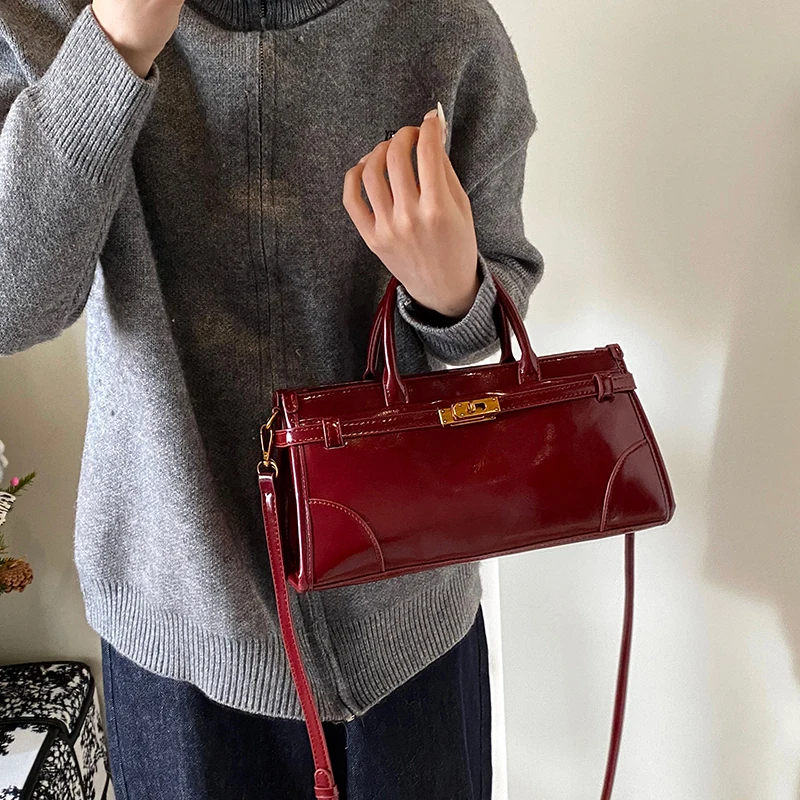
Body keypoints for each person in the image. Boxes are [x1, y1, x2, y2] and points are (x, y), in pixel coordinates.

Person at [0, 0, 544, 796]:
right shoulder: (45, 17)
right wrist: (113, 48)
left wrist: (453, 294)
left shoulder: (442, 24)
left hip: (407, 623)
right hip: (181, 631)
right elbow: (11, 305)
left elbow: (496, 297)